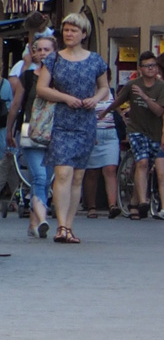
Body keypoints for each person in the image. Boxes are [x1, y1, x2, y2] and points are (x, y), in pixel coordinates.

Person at [39, 13, 112, 245]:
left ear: (84, 34)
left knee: (78, 176)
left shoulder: (95, 60)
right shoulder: (53, 59)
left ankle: (69, 226)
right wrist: (65, 98)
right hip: (61, 120)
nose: (69, 34)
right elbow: (42, 88)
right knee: (63, 173)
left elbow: (104, 88)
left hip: (85, 121)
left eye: (74, 30)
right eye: (66, 30)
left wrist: (95, 99)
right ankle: (60, 226)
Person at [6, 35, 56, 238]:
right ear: (33, 53)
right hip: (31, 131)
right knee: (39, 176)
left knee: (45, 181)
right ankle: (42, 218)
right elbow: (16, 104)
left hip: (54, 133)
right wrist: (10, 130)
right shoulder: (27, 77)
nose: (43, 53)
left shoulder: (61, 77)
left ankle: (33, 222)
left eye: (47, 49)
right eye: (39, 49)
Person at [122, 54, 164, 219]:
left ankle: (134, 203)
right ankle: (143, 202)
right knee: (142, 163)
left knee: (144, 167)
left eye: (153, 65)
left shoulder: (162, 87)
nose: (151, 68)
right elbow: (116, 102)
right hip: (136, 129)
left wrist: (144, 96)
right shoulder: (132, 84)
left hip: (155, 132)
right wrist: (109, 114)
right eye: (147, 65)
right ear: (140, 69)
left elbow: (159, 111)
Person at [82, 85, 123, 219]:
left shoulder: (111, 92)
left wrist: (125, 128)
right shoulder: (87, 92)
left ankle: (112, 205)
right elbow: (83, 115)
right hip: (94, 133)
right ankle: (91, 206)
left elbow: (118, 112)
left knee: (110, 169)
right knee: (92, 172)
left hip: (111, 134)